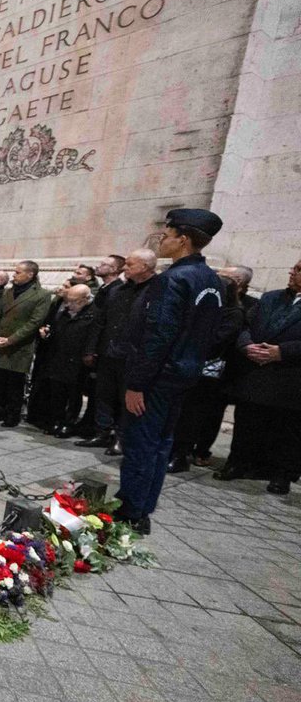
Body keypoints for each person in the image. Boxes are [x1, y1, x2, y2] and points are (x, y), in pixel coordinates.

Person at [115, 209, 225, 534]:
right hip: (183, 374)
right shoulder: (211, 279)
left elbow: (159, 335)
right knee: (162, 444)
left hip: (157, 377)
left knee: (141, 444)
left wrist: (137, 383)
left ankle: (130, 511)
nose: (162, 239)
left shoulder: (174, 279)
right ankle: (143, 506)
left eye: (168, 234)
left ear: (184, 239)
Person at [215, 258, 301, 494]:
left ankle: (281, 474)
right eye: (293, 267)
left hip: (290, 378)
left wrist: (282, 352)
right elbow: (245, 324)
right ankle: (238, 464)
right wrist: (246, 346)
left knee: (287, 430)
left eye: (298, 270)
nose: (291, 272)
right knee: (247, 423)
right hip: (255, 373)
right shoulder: (272, 297)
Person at [76, 251, 158, 454]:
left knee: (125, 400)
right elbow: (100, 322)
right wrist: (91, 349)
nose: (124, 268)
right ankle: (102, 432)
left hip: (133, 357)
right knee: (103, 395)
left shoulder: (157, 291)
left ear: (146, 267)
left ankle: (122, 438)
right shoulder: (118, 291)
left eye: (130, 264)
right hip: (108, 353)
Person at [166, 275, 243, 472]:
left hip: (207, 372)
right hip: (186, 364)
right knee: (177, 411)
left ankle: (181, 454)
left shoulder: (233, 313)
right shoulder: (202, 309)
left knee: (192, 414)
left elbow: (218, 341)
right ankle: (169, 448)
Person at [0, 261, 52, 427]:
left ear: (30, 274)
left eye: (18, 272)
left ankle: (12, 415)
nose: (14, 275)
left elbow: (34, 322)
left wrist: (11, 340)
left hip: (19, 346)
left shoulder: (41, 295)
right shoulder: (8, 292)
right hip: (0, 342)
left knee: (15, 383)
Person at [32, 284, 96, 436]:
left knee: (73, 395)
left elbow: (93, 338)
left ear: (85, 299)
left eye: (74, 301)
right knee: (57, 393)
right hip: (58, 358)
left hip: (77, 362)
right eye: (68, 301)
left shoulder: (93, 314)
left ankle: (68, 423)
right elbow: (54, 330)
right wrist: (47, 334)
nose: (69, 304)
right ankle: (55, 420)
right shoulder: (64, 313)